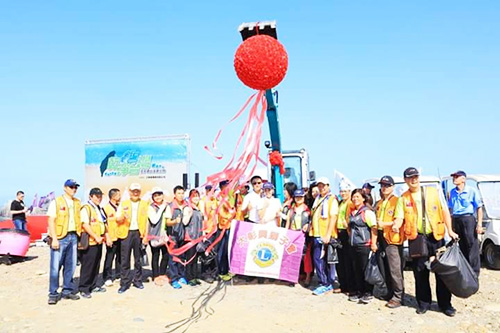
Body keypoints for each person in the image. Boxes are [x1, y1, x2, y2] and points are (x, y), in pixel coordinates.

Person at [394, 167, 458, 316]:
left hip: (435, 235)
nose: (413, 180)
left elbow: (444, 211)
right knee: (420, 271)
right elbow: (399, 217)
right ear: (405, 180)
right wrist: (397, 225)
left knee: (441, 270)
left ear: (419, 177)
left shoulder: (433, 192)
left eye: (415, 176)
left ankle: (445, 304)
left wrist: (450, 230)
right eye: (410, 177)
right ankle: (423, 303)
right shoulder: (403, 198)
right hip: (416, 238)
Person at [46, 179, 82, 305]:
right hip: (60, 237)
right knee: (55, 267)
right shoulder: (56, 202)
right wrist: (54, 238)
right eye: (71, 187)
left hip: (73, 236)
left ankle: (67, 290)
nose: (74, 189)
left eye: (75, 187)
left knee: (70, 266)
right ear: (65, 188)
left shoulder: (78, 202)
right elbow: (51, 220)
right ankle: (53, 293)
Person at [371, 176, 405, 308]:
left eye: (387, 185)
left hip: (393, 239)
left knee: (395, 268)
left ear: (393, 187)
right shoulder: (379, 203)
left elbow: (399, 220)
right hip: (381, 236)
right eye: (383, 185)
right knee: (385, 267)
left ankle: (398, 296)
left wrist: (384, 224)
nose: (384, 188)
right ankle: (390, 292)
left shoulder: (397, 201)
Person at [115, 183, 149, 294]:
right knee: (125, 259)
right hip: (126, 233)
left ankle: (138, 280)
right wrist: (123, 217)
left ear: (140, 192)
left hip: (138, 233)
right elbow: (117, 219)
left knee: (138, 259)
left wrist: (146, 236)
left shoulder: (144, 204)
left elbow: (147, 221)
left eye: (137, 191)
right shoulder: (123, 204)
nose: (135, 193)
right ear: (130, 192)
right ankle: (124, 283)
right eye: (133, 191)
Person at [448, 170, 483, 276]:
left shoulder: (471, 191)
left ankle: (474, 272)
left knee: (471, 245)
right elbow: (450, 209)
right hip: (456, 219)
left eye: (457, 177)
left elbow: (479, 207)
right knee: (461, 245)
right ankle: (465, 270)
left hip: (468, 219)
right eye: (454, 177)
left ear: (463, 179)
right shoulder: (452, 192)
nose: (454, 179)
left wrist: (479, 224)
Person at [310, 177, 341, 296]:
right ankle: (324, 282)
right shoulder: (318, 198)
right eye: (320, 186)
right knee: (318, 259)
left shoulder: (331, 199)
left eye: (323, 185)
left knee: (324, 260)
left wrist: (328, 234)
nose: (321, 188)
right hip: (316, 233)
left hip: (325, 234)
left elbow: (333, 217)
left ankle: (326, 283)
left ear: (328, 186)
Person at [78, 188, 109, 298]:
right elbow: (85, 225)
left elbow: (103, 223)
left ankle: (93, 285)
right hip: (91, 241)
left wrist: (104, 236)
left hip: (98, 241)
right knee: (88, 265)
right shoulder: (86, 208)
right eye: (96, 196)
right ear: (90, 196)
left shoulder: (98, 208)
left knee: (96, 264)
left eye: (100, 196)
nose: (99, 198)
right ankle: (84, 288)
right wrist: (95, 236)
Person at [348, 188, 377, 304]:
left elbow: (374, 228)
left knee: (366, 269)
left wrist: (373, 243)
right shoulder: (352, 212)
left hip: (364, 244)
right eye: (354, 197)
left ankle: (368, 292)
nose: (355, 199)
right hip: (353, 244)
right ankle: (359, 291)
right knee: (357, 269)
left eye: (358, 197)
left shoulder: (367, 212)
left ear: (363, 198)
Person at [285, 189, 312, 286]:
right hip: (293, 235)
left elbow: (311, 222)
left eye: (301, 197)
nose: (299, 199)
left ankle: (308, 277)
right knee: (293, 256)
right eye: (297, 197)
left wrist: (308, 226)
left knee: (306, 258)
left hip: (304, 236)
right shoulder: (291, 210)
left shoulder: (308, 210)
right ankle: (293, 277)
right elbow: (288, 222)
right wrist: (286, 234)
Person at [164, 185, 189, 289]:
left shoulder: (186, 205)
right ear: (174, 194)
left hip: (183, 236)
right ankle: (174, 279)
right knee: (173, 258)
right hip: (173, 237)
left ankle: (181, 276)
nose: (181, 195)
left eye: (182, 193)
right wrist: (175, 222)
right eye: (179, 193)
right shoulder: (170, 206)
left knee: (182, 257)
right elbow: (167, 222)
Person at [147, 187, 169, 286]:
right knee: (155, 256)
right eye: (155, 195)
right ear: (152, 197)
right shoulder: (151, 207)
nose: (158, 197)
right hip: (154, 236)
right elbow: (154, 220)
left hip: (165, 235)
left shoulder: (167, 206)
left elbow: (169, 218)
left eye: (159, 195)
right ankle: (156, 275)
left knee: (166, 255)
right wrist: (161, 209)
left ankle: (162, 273)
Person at [336, 183, 355, 295]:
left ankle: (351, 287)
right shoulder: (340, 203)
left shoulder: (351, 204)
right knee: (340, 261)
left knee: (348, 262)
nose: (343, 193)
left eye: (345, 191)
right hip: (339, 232)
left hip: (347, 232)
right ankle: (343, 285)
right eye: (341, 191)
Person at [216, 180, 236, 281]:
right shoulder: (219, 198)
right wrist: (230, 215)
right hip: (222, 226)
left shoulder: (230, 197)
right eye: (225, 186)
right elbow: (220, 212)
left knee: (228, 249)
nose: (228, 188)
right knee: (221, 250)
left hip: (230, 226)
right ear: (221, 187)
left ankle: (227, 269)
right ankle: (220, 271)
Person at [183, 189, 204, 286]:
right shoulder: (188, 208)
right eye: (193, 196)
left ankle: (195, 277)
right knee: (190, 258)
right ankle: (189, 277)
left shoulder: (198, 208)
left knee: (195, 258)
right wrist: (189, 214)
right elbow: (184, 222)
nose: (196, 198)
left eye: (197, 196)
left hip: (197, 237)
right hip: (190, 237)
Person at [102, 188, 122, 287]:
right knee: (109, 257)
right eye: (118, 195)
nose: (120, 196)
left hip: (120, 236)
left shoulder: (120, 207)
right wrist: (107, 236)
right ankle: (107, 277)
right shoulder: (105, 208)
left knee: (120, 257)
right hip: (111, 237)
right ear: (113, 196)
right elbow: (104, 223)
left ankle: (118, 275)